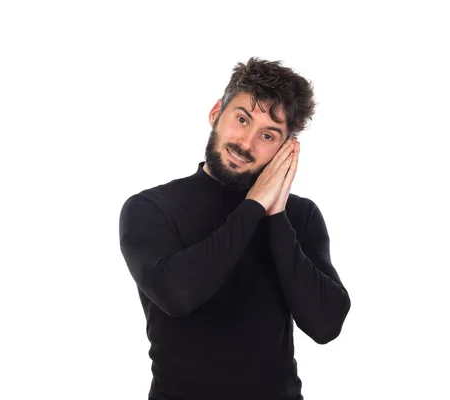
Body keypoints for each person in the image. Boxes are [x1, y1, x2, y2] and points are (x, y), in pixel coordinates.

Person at [119, 57, 351, 400]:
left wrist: (275, 216)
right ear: (216, 112)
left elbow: (326, 324)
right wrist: (254, 205)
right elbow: (178, 295)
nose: (246, 143)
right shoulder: (150, 209)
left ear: (285, 149)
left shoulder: (299, 215)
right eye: (241, 119)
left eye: (268, 135)